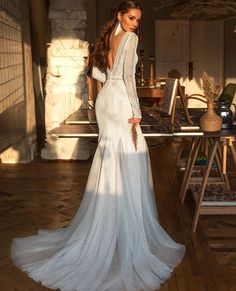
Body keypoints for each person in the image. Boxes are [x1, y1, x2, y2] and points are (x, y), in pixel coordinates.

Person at [11, 1, 185, 290]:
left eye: (138, 19)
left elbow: (97, 74)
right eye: (131, 17)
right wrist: (137, 111)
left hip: (106, 101)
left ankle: (110, 226)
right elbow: (128, 78)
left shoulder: (110, 36)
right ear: (120, 15)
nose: (135, 23)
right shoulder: (130, 38)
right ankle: (125, 233)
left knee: (111, 160)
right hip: (120, 103)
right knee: (130, 160)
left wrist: (110, 94)